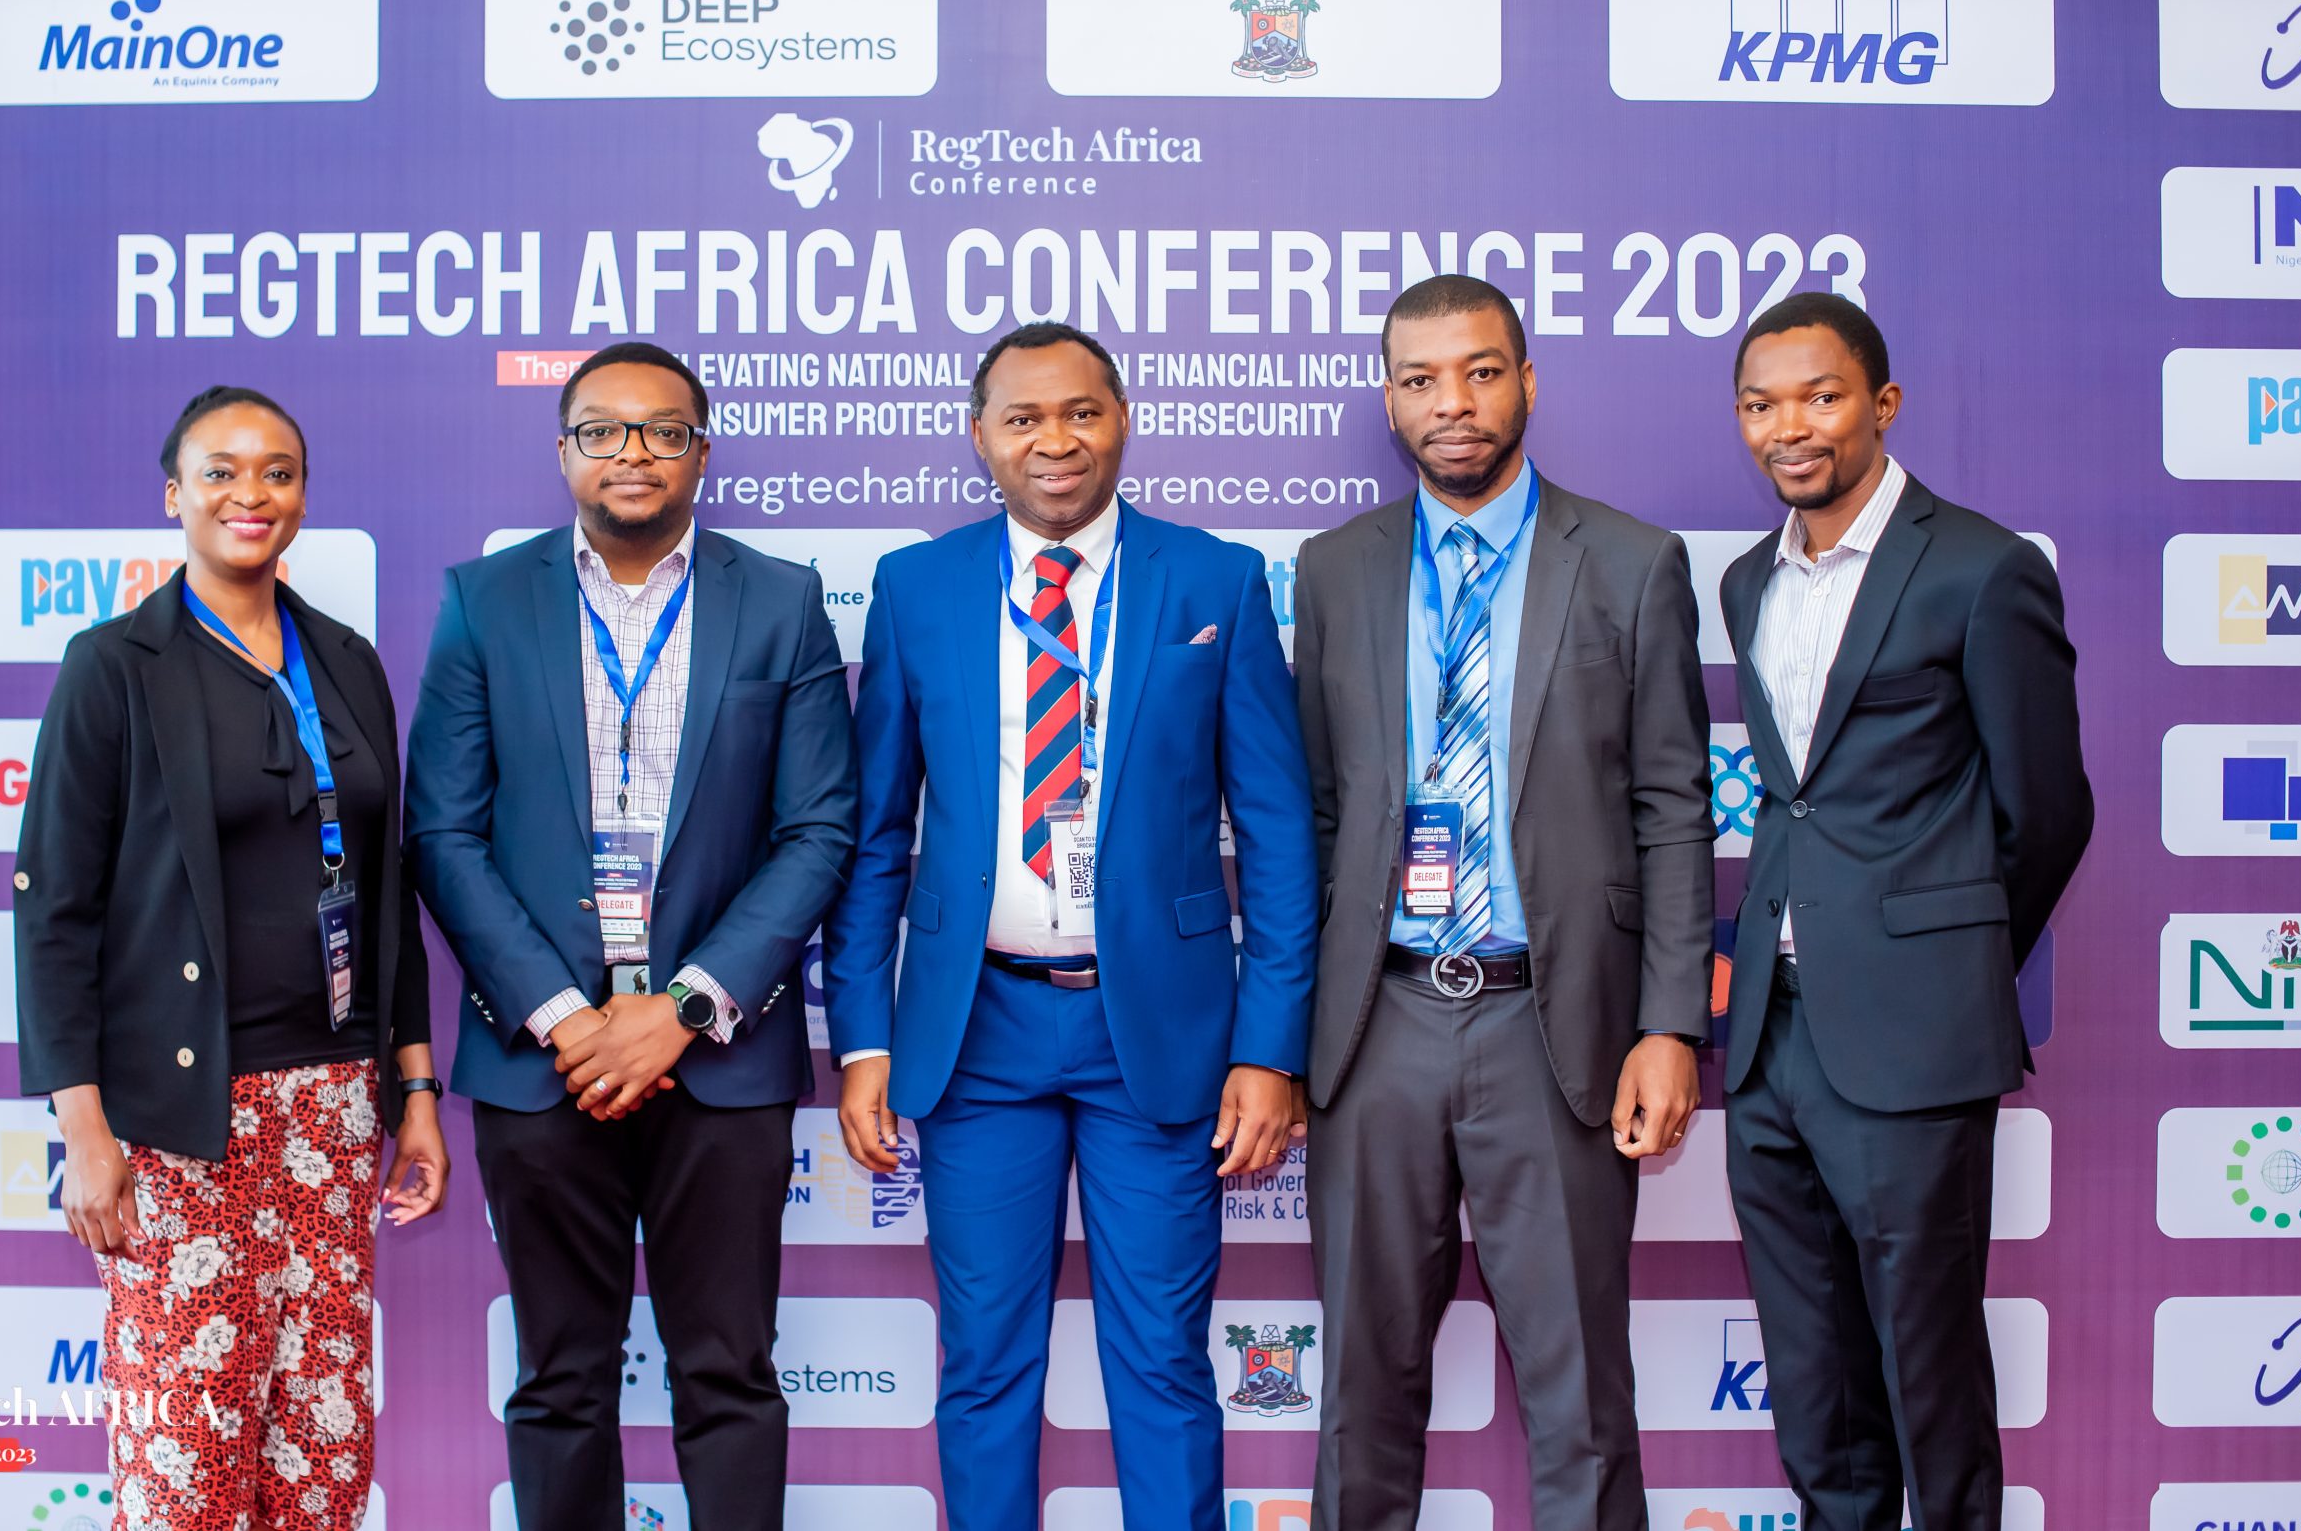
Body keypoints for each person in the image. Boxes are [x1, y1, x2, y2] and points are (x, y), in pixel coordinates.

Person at [823, 321, 1316, 1531]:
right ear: (980, 436)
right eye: (1025, 417)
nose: (1057, 439)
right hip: (975, 1030)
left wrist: (1269, 1047)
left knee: (1163, 1362)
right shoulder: (917, 586)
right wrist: (864, 1037)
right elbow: (874, 834)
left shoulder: (1214, 579)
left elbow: (1276, 833)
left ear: (1123, 419)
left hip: (1159, 1030)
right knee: (985, 1365)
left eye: (1082, 411)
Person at [406, 341, 855, 1531]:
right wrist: (568, 1017)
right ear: (564, 453)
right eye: (602, 430)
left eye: (663, 430)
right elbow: (443, 831)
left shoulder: (781, 599)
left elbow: (819, 829)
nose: (633, 452)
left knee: (729, 1375)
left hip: (719, 1059)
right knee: (560, 1382)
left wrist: (682, 1008)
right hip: (541, 1059)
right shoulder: (483, 600)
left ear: (702, 452)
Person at [1291, 276, 1712, 1531]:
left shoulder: (1630, 561)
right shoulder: (1335, 569)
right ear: (1388, 401)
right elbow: (1317, 811)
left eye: (1479, 371)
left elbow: (1673, 807)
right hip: (1377, 1023)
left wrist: (1668, 1024)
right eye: (1420, 379)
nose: (1453, 403)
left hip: (1555, 1023)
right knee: (1359, 1391)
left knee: (1579, 1394)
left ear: (1527, 380)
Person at [16, 385, 447, 1531]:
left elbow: (386, 891)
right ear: (174, 495)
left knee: (320, 1458)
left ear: (302, 493)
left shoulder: (346, 660)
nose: (250, 493)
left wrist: (412, 1089)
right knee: (187, 1471)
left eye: (277, 471)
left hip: (333, 1112)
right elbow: (54, 911)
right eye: (220, 470)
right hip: (179, 1123)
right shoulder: (114, 664)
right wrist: (84, 1130)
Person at [1718, 292, 2090, 1531]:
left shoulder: (1982, 568)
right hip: (1769, 1037)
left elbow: (2047, 810)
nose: (1789, 426)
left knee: (1928, 1370)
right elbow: (1798, 797)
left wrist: (1943, 960)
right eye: (1760, 404)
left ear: (1880, 403)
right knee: (1813, 1379)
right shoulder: (1745, 581)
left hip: (1912, 1040)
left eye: (1819, 396)